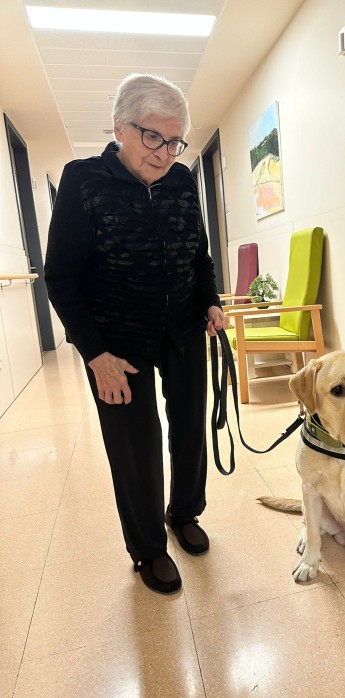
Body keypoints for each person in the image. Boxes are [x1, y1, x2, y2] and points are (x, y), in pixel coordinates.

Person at [45, 73, 228, 594]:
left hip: (185, 327)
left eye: (175, 141)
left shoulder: (181, 180)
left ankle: (184, 512)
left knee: (190, 428)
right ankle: (148, 548)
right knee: (135, 445)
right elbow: (61, 277)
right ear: (119, 128)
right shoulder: (83, 180)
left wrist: (211, 301)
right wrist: (95, 354)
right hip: (117, 341)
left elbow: (199, 255)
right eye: (153, 137)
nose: (164, 153)